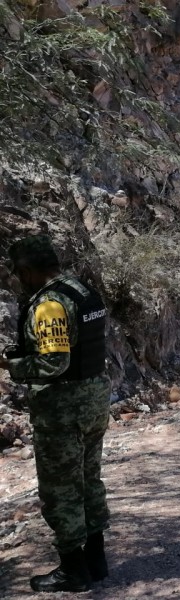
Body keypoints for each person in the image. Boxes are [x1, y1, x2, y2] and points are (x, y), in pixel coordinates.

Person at [0, 234, 111, 592]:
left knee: (61, 489)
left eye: (19, 273)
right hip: (94, 399)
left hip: (64, 409)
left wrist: (12, 364)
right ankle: (96, 561)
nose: (19, 279)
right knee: (88, 479)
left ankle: (73, 571)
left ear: (30, 270)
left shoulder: (49, 305)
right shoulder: (81, 289)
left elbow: (55, 362)